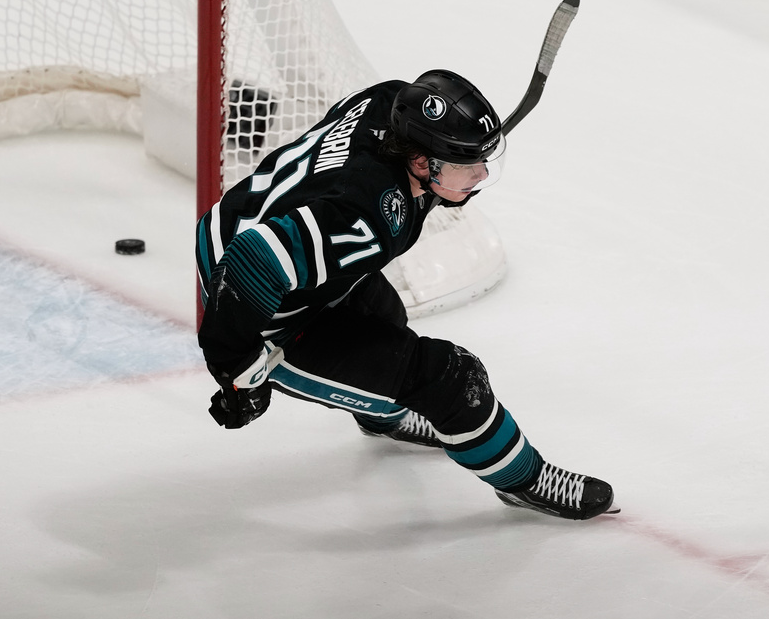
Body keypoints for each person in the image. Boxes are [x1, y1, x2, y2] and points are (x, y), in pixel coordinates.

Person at [195, 69, 616, 520]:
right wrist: (237, 371)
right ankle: (524, 480)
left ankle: (382, 417)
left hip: (243, 226)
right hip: (260, 306)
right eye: (467, 163)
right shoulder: (364, 216)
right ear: (419, 163)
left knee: (385, 317)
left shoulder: (391, 101)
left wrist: (456, 153)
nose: (482, 172)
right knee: (452, 380)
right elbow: (254, 261)